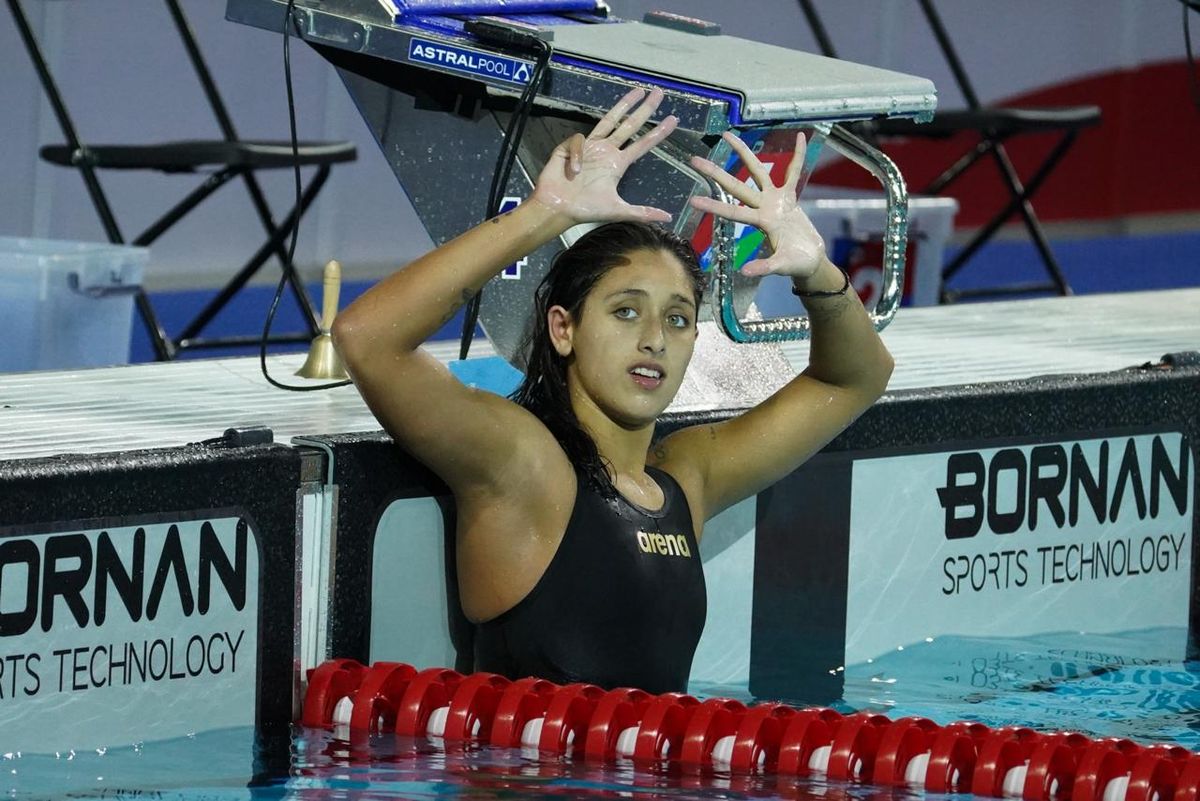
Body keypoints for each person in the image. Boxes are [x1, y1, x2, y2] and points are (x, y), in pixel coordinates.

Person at [332, 88, 893, 694]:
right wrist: (542, 214)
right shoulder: (526, 466)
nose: (654, 338)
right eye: (626, 312)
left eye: (678, 319)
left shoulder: (687, 479)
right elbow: (367, 339)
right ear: (563, 328)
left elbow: (855, 378)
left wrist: (817, 270)